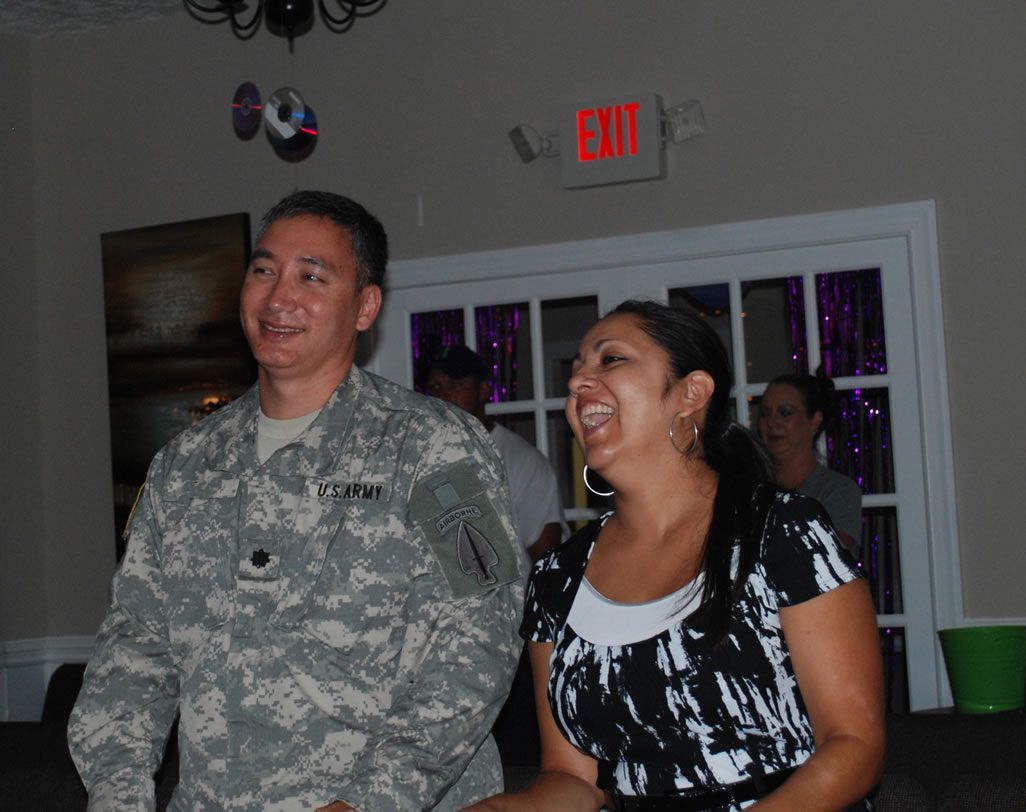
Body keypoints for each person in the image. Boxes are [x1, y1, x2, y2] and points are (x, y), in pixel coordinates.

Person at [68, 191, 525, 810]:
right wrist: (118, 794)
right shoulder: (186, 464)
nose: (279, 297)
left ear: (365, 307)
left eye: (311, 276)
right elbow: (135, 645)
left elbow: (480, 638)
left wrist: (368, 801)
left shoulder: (433, 448)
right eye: (264, 271)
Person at [472, 300, 884, 811]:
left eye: (610, 360)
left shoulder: (781, 532)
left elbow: (854, 747)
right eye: (577, 368)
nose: (578, 382)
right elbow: (574, 779)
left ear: (691, 393)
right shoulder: (556, 579)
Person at [426, 344, 568, 561]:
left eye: (455, 384)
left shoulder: (521, 460)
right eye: (435, 386)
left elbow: (547, 559)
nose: (442, 395)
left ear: (483, 390)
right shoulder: (421, 456)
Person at [757, 372, 863, 552]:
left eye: (785, 413)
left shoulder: (837, 490)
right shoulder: (752, 487)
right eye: (765, 414)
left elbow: (830, 559)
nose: (772, 423)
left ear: (814, 420)